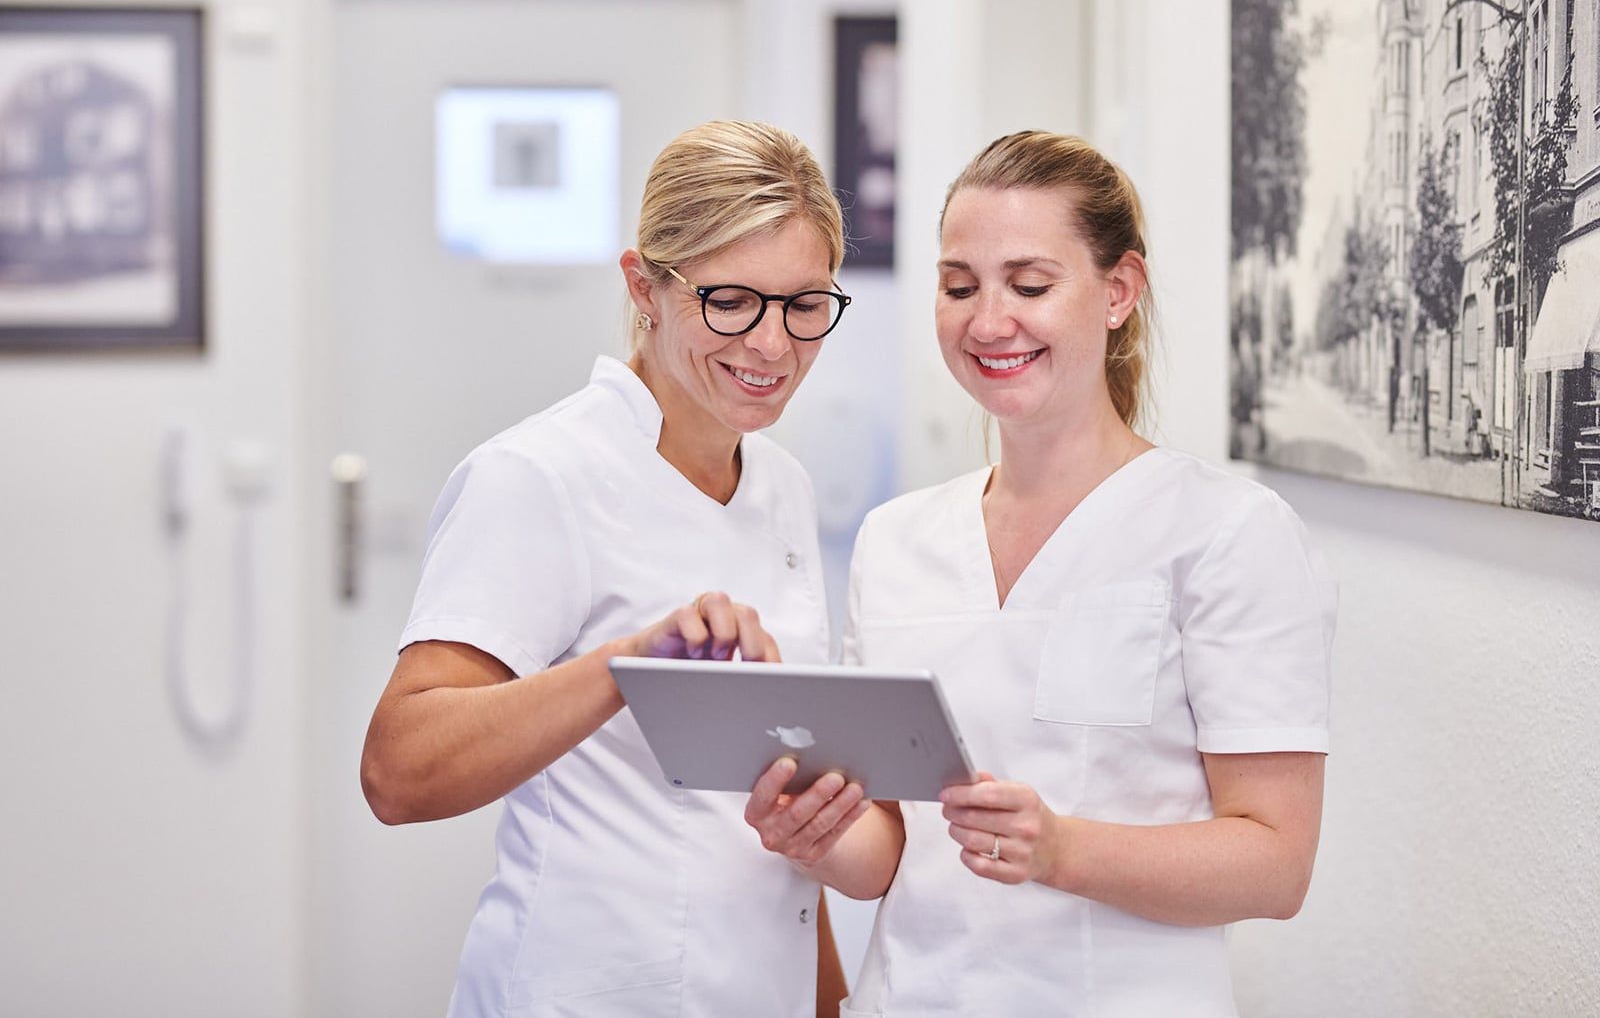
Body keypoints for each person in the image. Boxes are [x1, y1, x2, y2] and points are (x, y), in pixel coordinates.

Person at [744, 130, 1336, 1016]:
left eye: (1029, 284)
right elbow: (890, 856)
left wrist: (1061, 848)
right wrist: (812, 830)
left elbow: (1276, 863)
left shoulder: (1226, 534)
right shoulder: (896, 540)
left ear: (1118, 291)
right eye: (958, 287)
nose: (988, 321)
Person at [361, 120, 858, 1018]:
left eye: (804, 304)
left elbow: (776, 816)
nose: (773, 344)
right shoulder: (539, 477)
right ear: (645, 287)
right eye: (731, 301)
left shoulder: (783, 486)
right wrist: (628, 666)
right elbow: (399, 770)